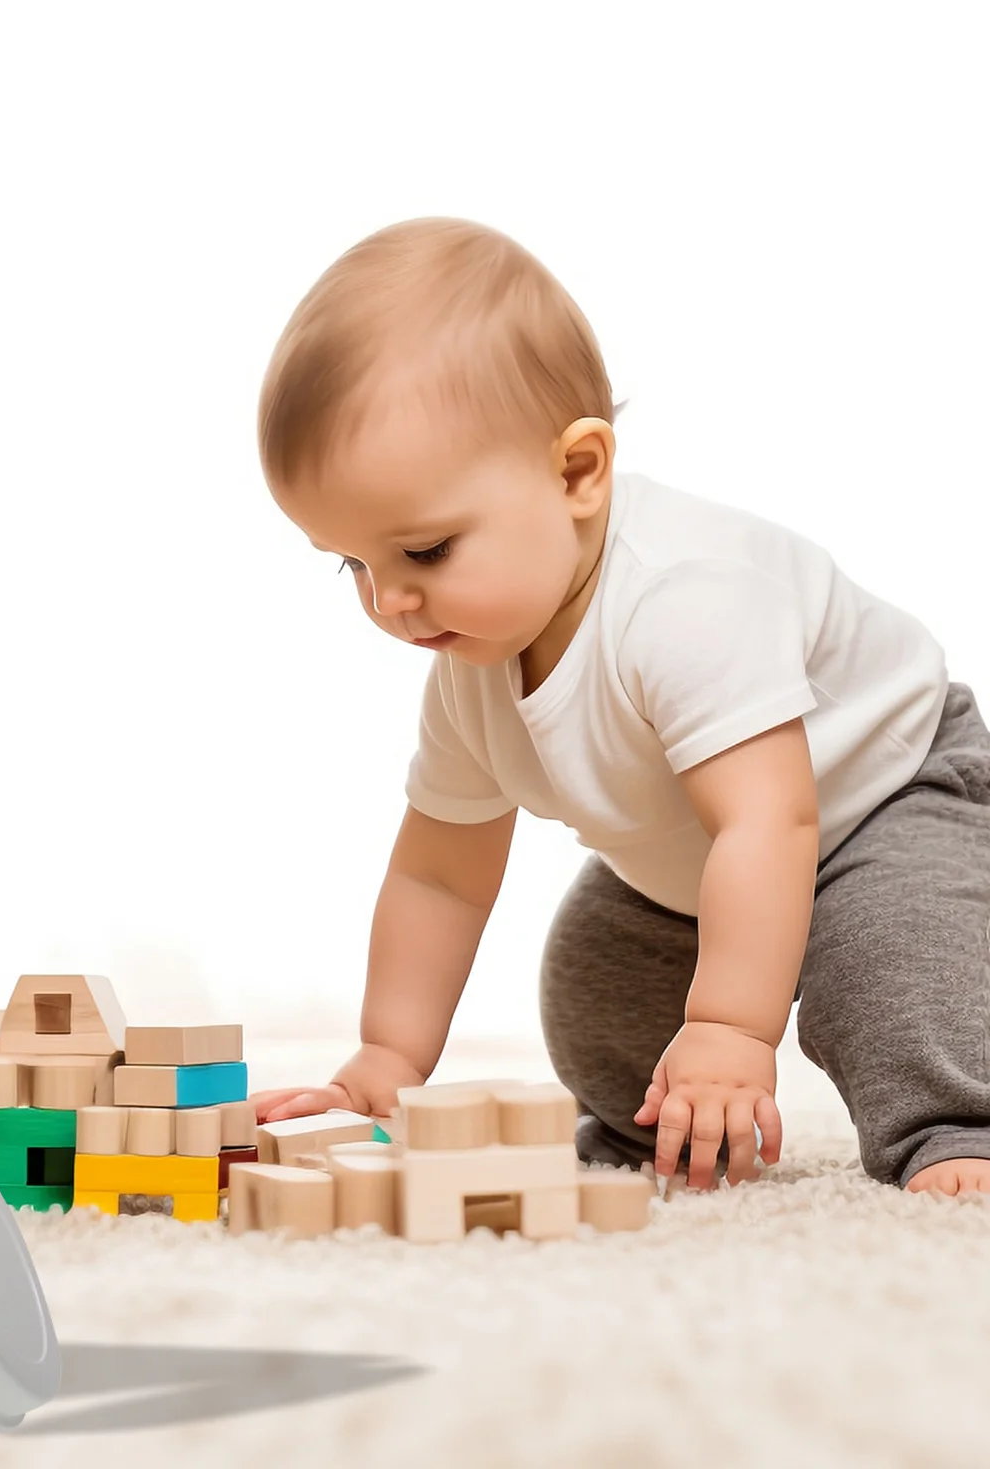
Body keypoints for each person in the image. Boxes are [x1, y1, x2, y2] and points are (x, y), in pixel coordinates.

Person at [249, 217, 990, 1196]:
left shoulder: (683, 602)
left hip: (881, 794)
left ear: (577, 473)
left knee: (895, 965)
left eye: (423, 552)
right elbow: (439, 878)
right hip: (699, 855)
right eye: (353, 562)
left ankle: (952, 1136)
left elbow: (770, 817)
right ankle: (668, 1120)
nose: (388, 601)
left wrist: (727, 1027)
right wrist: (385, 1060)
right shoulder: (471, 672)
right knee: (590, 989)